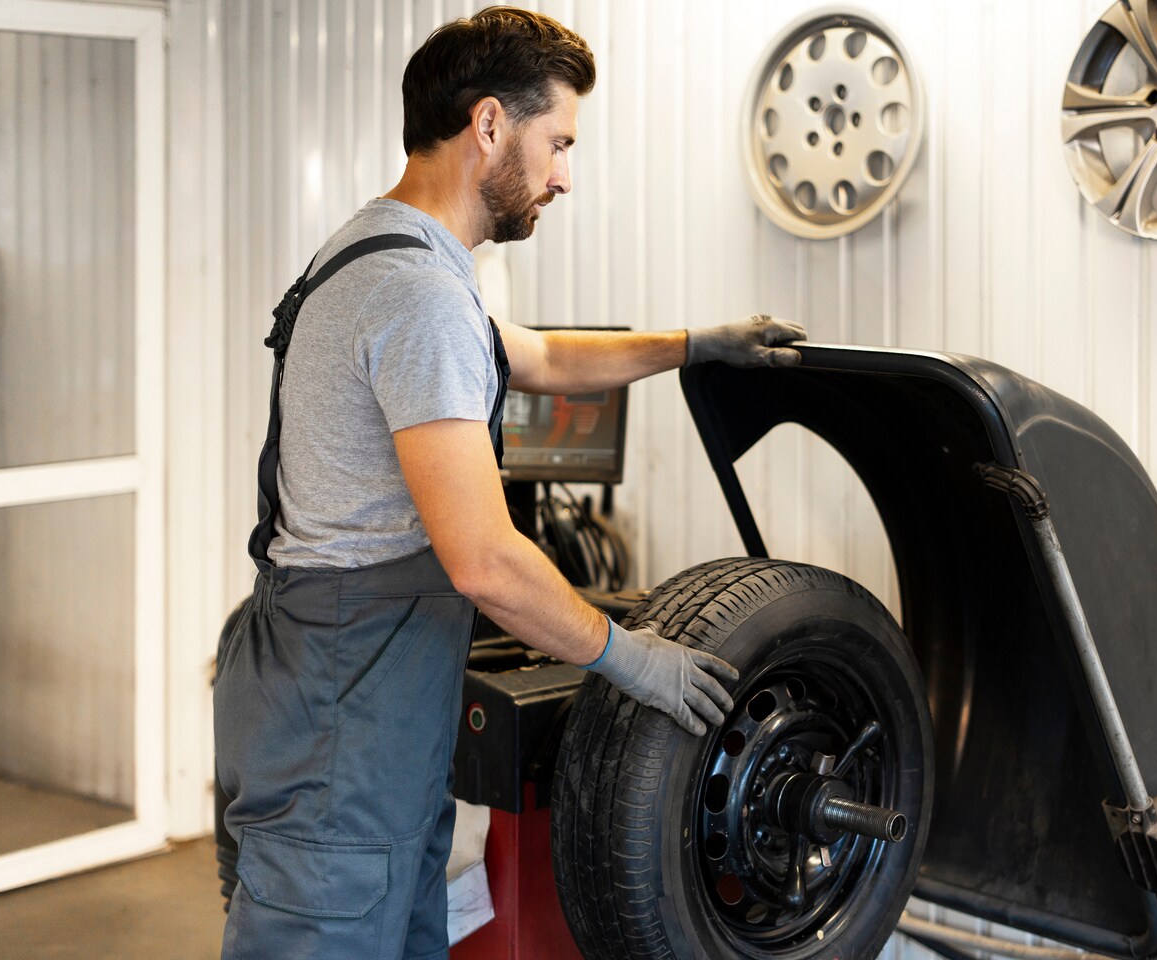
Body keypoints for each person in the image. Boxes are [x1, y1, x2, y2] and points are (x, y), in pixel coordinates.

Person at [212, 6, 806, 960]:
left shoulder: (388, 252)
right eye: (558, 141)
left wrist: (695, 345)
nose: (565, 173)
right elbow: (485, 561)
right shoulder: (416, 293)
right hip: (341, 734)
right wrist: (631, 657)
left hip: (358, 717)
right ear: (489, 124)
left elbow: (536, 358)